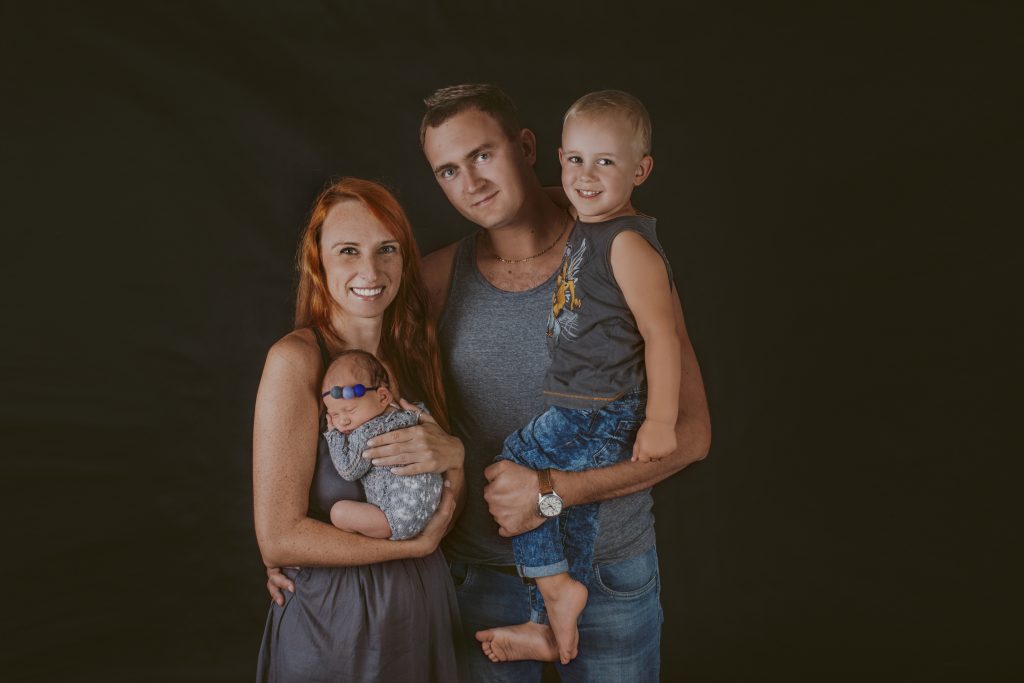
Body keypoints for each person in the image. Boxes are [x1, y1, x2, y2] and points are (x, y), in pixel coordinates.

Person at [267, 84, 711, 682]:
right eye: (448, 170)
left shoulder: (617, 254)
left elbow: (692, 434)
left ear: (526, 147)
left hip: (606, 572)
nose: (471, 183)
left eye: (482, 155)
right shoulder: (434, 280)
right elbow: (354, 390)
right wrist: (301, 545)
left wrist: (552, 492)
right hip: (479, 580)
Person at [478, 89, 679, 666]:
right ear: (559, 159)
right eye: (575, 160)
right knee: (574, 510)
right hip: (590, 401)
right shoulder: (589, 223)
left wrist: (660, 421)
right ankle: (552, 621)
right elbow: (561, 195)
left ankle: (554, 589)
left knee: (516, 463)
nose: (585, 176)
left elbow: (661, 335)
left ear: (640, 171)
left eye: (605, 162)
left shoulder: (628, 243)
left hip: (600, 406)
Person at [253, 177, 468, 682]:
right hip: (336, 625)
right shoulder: (296, 360)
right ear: (318, 262)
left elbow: (439, 497)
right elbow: (279, 539)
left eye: (386, 249)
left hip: (422, 610)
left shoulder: (413, 357)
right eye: (348, 250)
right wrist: (410, 548)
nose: (370, 271)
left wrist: (455, 456)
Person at [321, 349, 443, 540]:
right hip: (433, 510)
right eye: (334, 414)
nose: (343, 421)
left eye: (350, 410)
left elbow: (349, 470)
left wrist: (334, 435)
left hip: (395, 519)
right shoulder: (410, 414)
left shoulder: (366, 433)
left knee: (339, 513)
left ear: (383, 397)